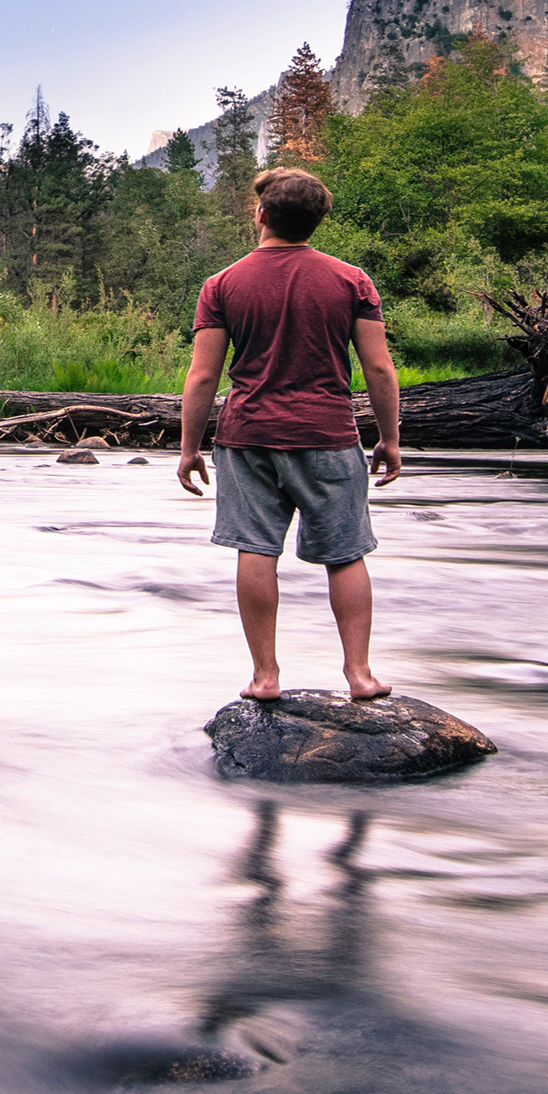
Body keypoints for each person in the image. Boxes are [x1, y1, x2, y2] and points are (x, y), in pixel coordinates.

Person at [177, 164, 403, 703]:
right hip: (327, 434)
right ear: (316, 222)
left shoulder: (222, 284)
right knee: (345, 554)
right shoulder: (352, 280)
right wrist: (390, 438)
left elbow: (203, 374)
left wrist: (188, 447)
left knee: (255, 550)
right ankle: (360, 676)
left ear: (261, 215)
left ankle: (265, 677)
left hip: (248, 435)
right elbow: (379, 369)